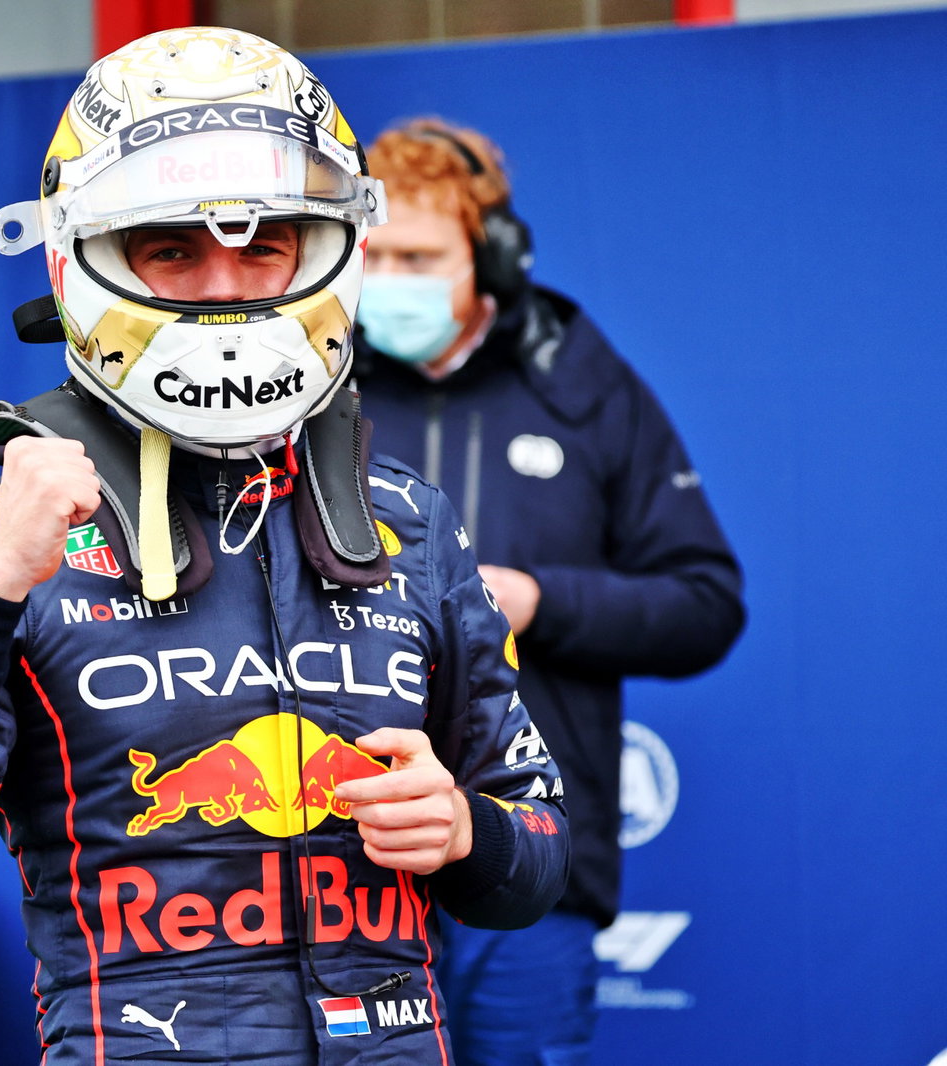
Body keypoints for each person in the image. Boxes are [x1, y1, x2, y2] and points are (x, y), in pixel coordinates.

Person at [0, 28, 570, 1065]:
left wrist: (466, 828)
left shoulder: (411, 521)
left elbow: (537, 857)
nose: (223, 286)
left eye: (264, 246)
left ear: (328, 250)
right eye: (171, 249)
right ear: (76, 262)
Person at [353, 118, 746, 1065]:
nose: (390, 278)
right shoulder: (311, 393)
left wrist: (538, 603)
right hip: (342, 854)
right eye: (374, 255)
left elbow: (704, 603)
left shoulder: (583, 387)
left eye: (419, 257)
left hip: (527, 853)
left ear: (492, 256)